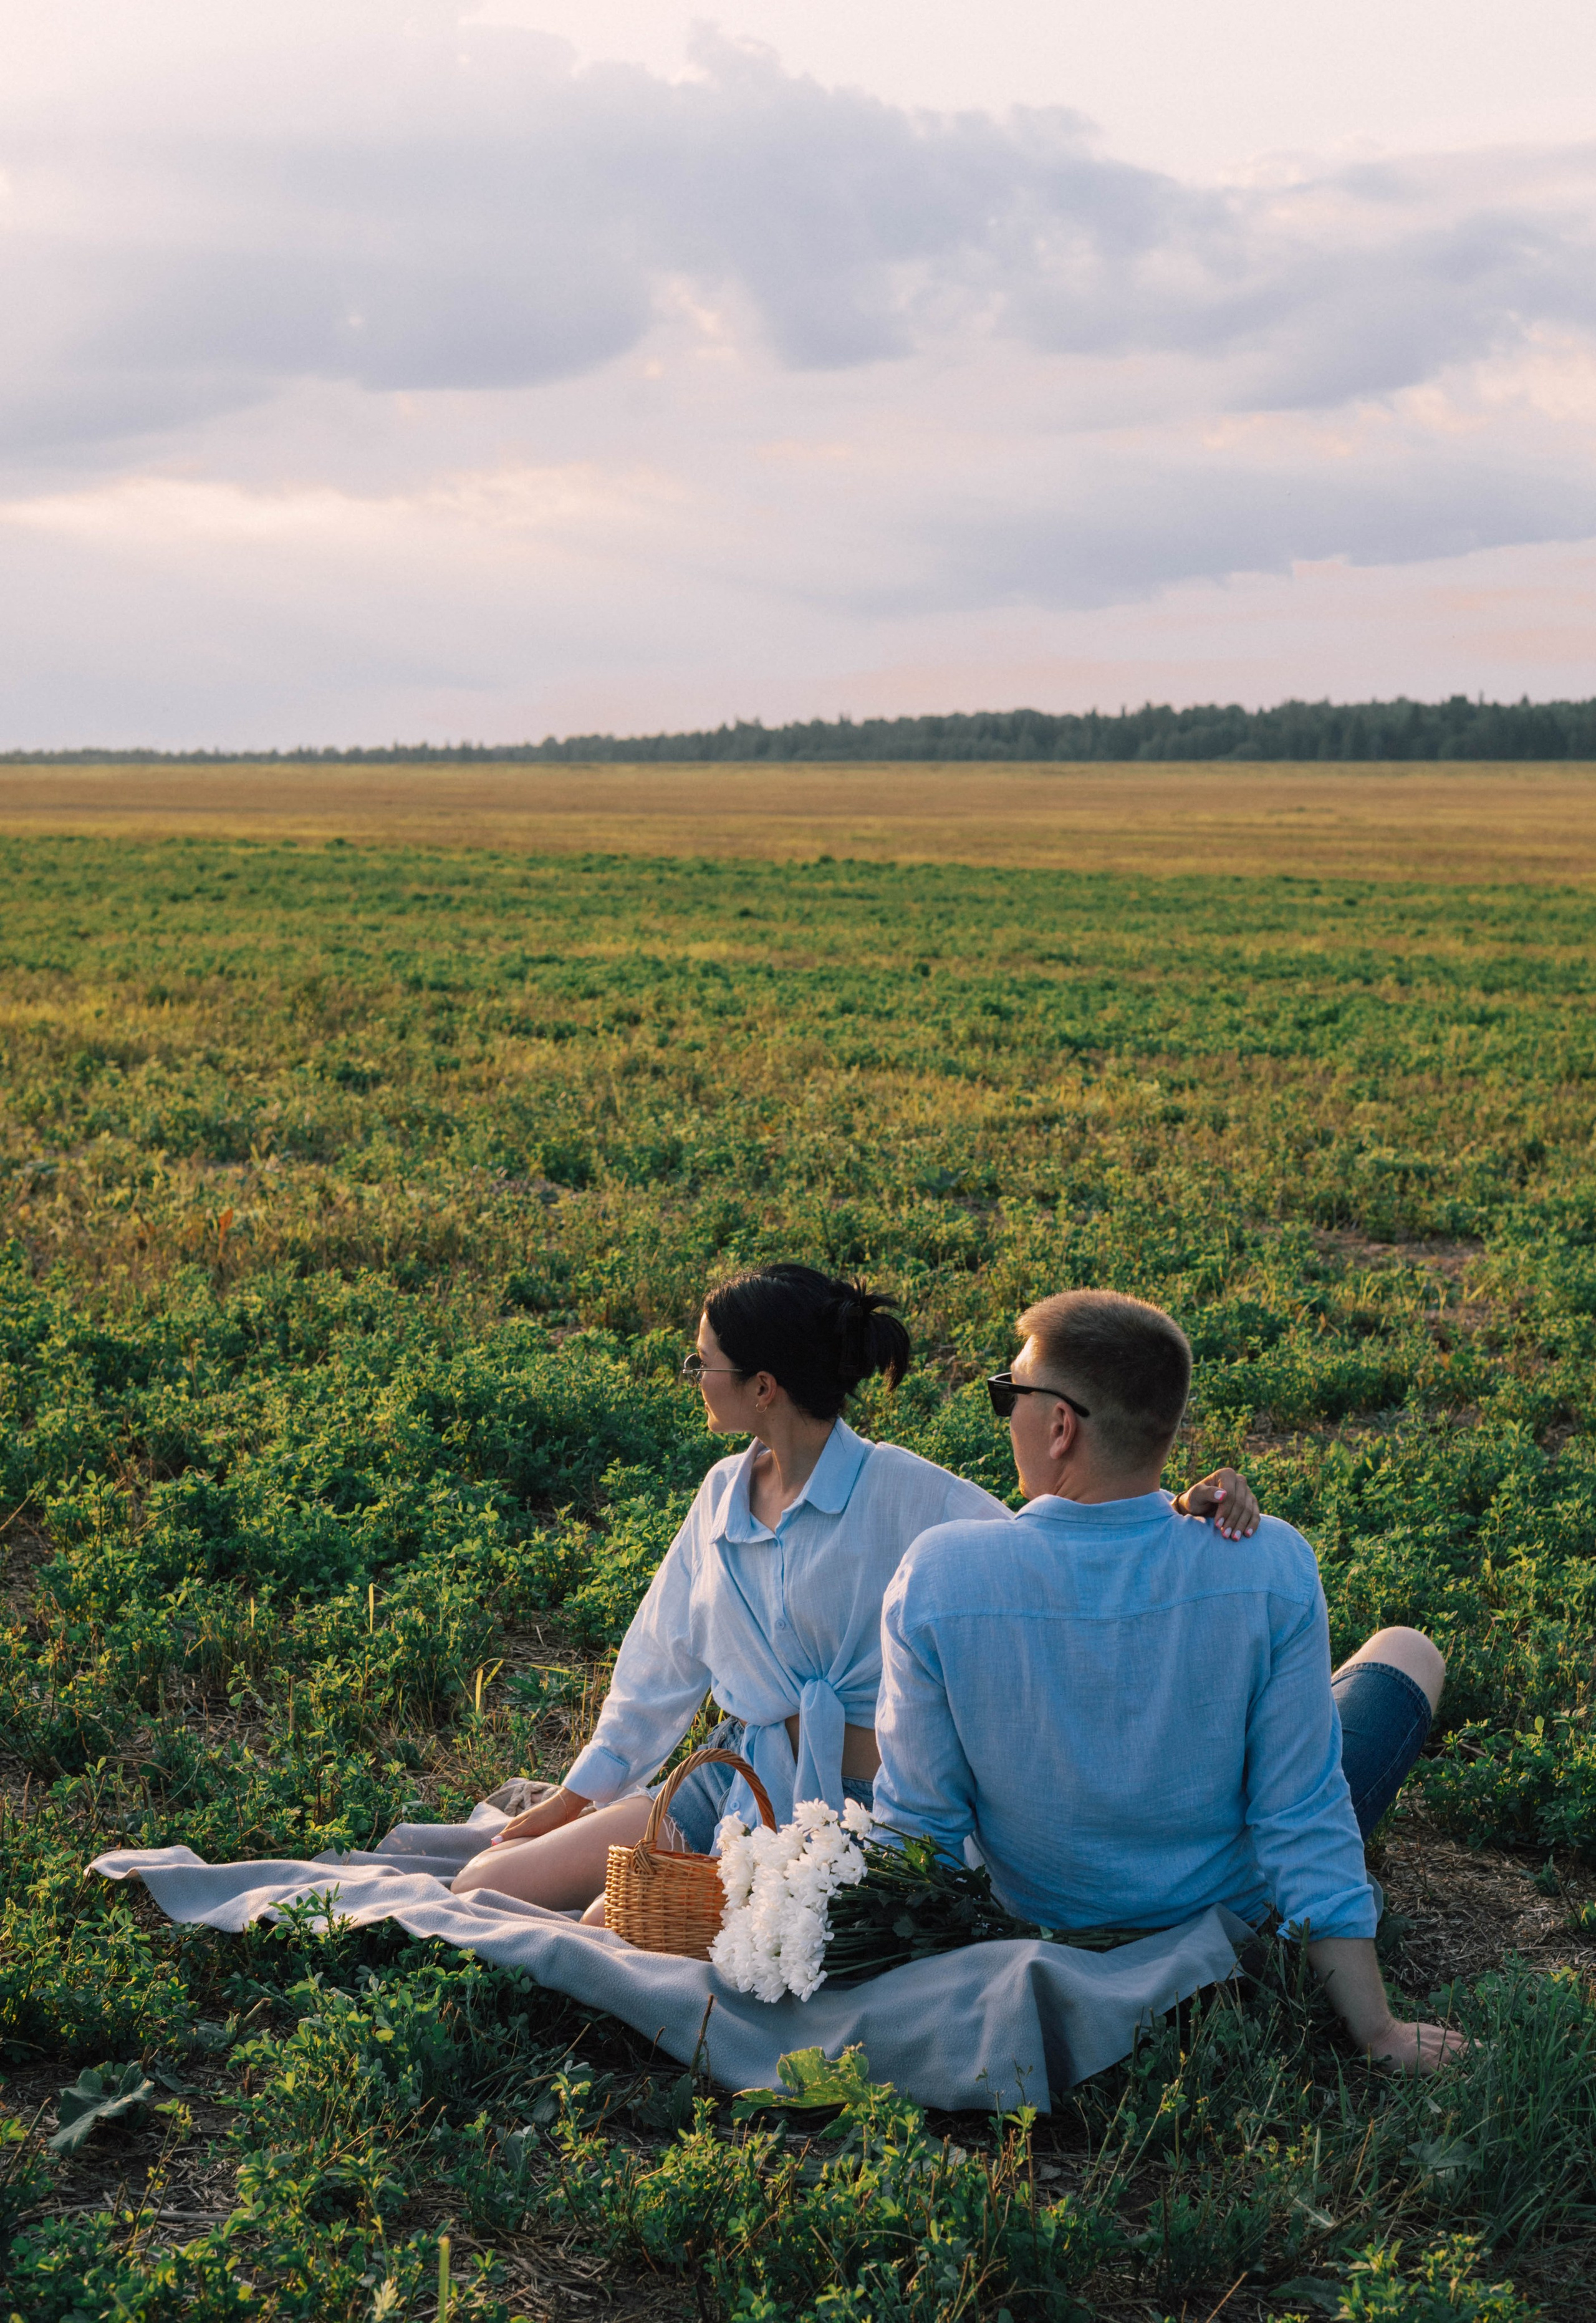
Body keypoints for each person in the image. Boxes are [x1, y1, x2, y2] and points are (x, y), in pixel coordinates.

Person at [451, 1263, 1263, 1911]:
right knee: (483, 1887)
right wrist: (572, 1797)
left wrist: (1175, 1506)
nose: (693, 1373)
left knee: (613, 1930)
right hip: (734, 1767)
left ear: (764, 1385)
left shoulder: (903, 1493)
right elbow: (658, 1666)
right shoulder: (720, 1494)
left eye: (705, 1361)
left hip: (853, 1802)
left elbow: (1043, 1554)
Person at [871, 1288, 1462, 2075]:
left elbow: (919, 1827)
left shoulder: (939, 1576)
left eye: (1007, 1395)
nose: (1002, 1412)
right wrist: (1377, 2030)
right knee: (1405, 1650)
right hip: (1224, 1917)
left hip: (1045, 1912)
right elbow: (1300, 1812)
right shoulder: (1269, 1559)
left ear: (1058, 1426)